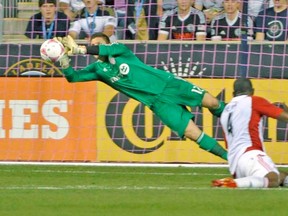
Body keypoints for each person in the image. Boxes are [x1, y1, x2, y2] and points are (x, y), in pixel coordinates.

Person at [55, 33, 228, 161]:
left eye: (97, 44)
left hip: (169, 84)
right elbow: (73, 77)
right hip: (158, 103)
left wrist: (79, 49)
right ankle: (230, 158)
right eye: (91, 44)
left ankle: (239, 119)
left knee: (212, 102)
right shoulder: (97, 70)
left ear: (107, 44)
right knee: (192, 133)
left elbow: (102, 49)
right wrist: (63, 59)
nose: (94, 47)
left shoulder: (119, 49)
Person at [212, 78, 288, 188]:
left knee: (281, 175)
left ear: (233, 94)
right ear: (252, 91)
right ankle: (230, 183)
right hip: (250, 153)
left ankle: (236, 182)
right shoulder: (254, 101)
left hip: (236, 166)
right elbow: (285, 117)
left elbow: (229, 143)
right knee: (272, 179)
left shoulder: (226, 111)